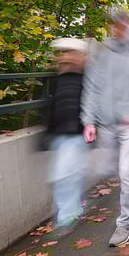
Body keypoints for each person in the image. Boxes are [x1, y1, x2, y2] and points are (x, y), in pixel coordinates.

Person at [81, 7, 129, 247]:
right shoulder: (103, 54)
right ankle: (127, 193)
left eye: (124, 25)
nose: (119, 29)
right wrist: (89, 121)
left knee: (126, 171)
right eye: (116, 25)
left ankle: (125, 223)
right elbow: (92, 88)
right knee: (105, 169)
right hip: (107, 123)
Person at [42, 38, 90, 239]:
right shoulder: (57, 79)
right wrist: (48, 132)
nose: (64, 57)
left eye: (69, 53)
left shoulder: (86, 79)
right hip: (61, 133)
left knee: (63, 175)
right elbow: (51, 106)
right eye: (63, 53)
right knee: (70, 174)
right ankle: (74, 209)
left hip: (76, 132)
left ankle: (66, 217)